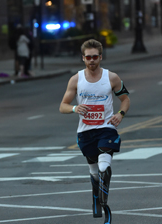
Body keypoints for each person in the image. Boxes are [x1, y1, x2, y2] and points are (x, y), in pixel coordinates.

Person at [59, 39, 130, 223]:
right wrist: (75, 108)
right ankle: (96, 198)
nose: (92, 60)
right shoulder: (76, 79)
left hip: (106, 128)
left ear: (100, 57)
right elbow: (63, 106)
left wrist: (120, 114)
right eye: (88, 57)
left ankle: (105, 202)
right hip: (85, 132)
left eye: (95, 57)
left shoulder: (111, 77)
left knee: (104, 167)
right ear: (83, 58)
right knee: (94, 171)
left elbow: (125, 99)